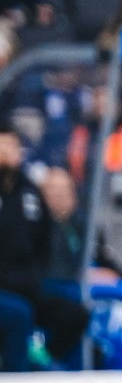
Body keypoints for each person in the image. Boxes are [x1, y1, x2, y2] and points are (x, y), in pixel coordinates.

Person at [0, 129, 88, 370]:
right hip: (4, 289)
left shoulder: (29, 190)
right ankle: (16, 381)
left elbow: (43, 239)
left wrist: (35, 277)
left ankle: (42, 360)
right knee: (18, 314)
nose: (7, 152)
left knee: (74, 314)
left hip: (27, 285)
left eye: (12, 147)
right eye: (2, 146)